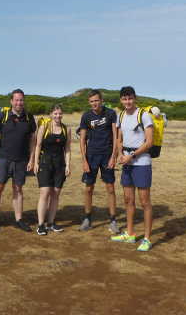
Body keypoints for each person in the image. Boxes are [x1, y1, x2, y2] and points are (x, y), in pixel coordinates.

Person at [0, 89, 36, 233]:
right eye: (16, 100)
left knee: (18, 189)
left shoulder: (29, 118)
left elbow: (33, 141)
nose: (19, 102)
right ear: (11, 101)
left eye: (21, 100)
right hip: (3, 158)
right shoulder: (2, 116)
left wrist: (31, 159)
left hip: (21, 160)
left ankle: (19, 219)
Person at [111, 86, 154, 252]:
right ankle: (130, 234)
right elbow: (119, 138)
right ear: (121, 100)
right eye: (124, 99)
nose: (127, 102)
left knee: (145, 202)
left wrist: (132, 156)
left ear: (134, 98)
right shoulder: (121, 115)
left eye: (130, 98)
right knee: (128, 200)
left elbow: (149, 142)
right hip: (127, 163)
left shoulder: (143, 115)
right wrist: (121, 153)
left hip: (141, 163)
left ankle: (147, 238)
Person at [78, 89, 120, 233]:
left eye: (96, 100)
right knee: (89, 188)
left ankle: (113, 220)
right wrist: (84, 160)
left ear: (101, 100)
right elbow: (82, 140)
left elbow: (115, 136)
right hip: (91, 156)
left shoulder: (110, 113)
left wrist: (113, 156)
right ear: (89, 103)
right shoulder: (86, 116)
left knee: (110, 188)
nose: (94, 103)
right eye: (91, 101)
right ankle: (87, 218)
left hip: (107, 155)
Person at [33, 104, 71, 235]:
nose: (58, 116)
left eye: (60, 113)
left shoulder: (66, 129)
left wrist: (68, 165)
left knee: (55, 194)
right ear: (50, 114)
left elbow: (67, 149)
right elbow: (37, 146)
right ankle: (40, 224)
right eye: (55, 113)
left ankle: (51, 223)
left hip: (59, 165)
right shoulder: (44, 127)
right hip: (45, 163)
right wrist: (35, 162)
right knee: (45, 193)